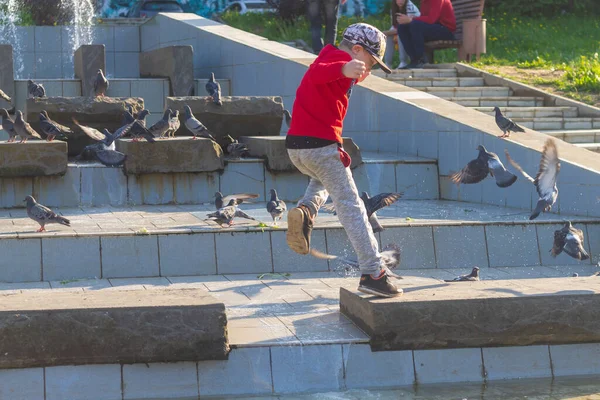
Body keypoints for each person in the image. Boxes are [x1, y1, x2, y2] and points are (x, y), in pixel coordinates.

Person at [285, 23, 402, 298]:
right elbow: (320, 73)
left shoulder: (330, 56)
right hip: (320, 146)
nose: (368, 70)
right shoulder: (335, 63)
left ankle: (306, 211)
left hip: (299, 149)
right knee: (353, 207)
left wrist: (353, 70)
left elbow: (336, 71)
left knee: (326, 176)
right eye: (370, 62)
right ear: (357, 50)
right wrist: (344, 69)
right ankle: (374, 273)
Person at [395, 0, 456, 69]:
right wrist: (410, 20)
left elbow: (431, 19)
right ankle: (414, 60)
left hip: (446, 30)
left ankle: (421, 60)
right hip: (433, 28)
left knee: (414, 25)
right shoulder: (423, 1)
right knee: (402, 28)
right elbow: (423, 19)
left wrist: (411, 19)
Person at [384, 0, 421, 69]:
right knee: (388, 36)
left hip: (414, 30)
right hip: (401, 29)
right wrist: (387, 33)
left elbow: (407, 26)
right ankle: (388, 64)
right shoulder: (393, 9)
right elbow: (394, 26)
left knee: (400, 35)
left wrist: (387, 32)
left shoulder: (410, 7)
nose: (400, 1)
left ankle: (403, 61)